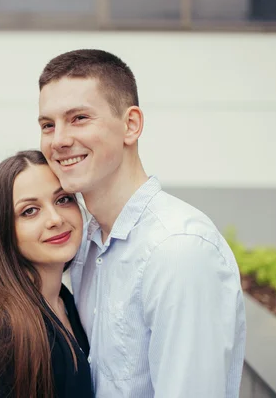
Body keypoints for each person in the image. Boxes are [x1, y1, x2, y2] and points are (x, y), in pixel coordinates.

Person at [38, 49, 246, 397]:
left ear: (131, 125)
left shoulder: (177, 249)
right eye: (48, 125)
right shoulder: (86, 245)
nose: (58, 140)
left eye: (79, 118)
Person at [0, 150, 93, 398]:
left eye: (62, 200)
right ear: (4, 231)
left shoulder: (64, 300)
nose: (54, 219)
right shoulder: (4, 327)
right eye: (30, 211)